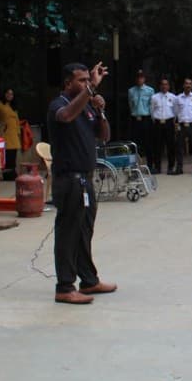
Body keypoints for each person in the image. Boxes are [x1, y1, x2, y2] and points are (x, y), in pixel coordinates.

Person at [47, 62, 115, 305]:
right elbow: (65, 117)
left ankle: (88, 280)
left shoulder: (86, 106)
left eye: (89, 79)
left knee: (84, 232)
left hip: (86, 180)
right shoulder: (59, 106)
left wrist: (100, 111)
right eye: (81, 80)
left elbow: (103, 135)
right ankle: (64, 286)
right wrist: (91, 89)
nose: (87, 84)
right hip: (69, 180)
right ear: (68, 83)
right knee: (68, 234)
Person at [127, 69, 155, 172]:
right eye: (138, 77)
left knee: (148, 143)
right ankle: (134, 166)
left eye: (141, 77)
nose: (140, 79)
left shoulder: (150, 90)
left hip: (146, 118)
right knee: (133, 144)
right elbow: (131, 105)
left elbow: (151, 106)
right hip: (135, 119)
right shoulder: (131, 91)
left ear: (144, 79)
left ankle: (150, 166)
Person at [150, 78, 178, 174]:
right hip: (158, 123)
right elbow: (152, 110)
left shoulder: (173, 97)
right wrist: (156, 120)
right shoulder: (154, 97)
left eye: (166, 84)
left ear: (169, 86)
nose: (164, 86)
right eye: (162, 84)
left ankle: (170, 167)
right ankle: (157, 167)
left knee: (171, 146)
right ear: (160, 86)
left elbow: (175, 111)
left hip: (169, 122)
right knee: (157, 146)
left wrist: (172, 121)